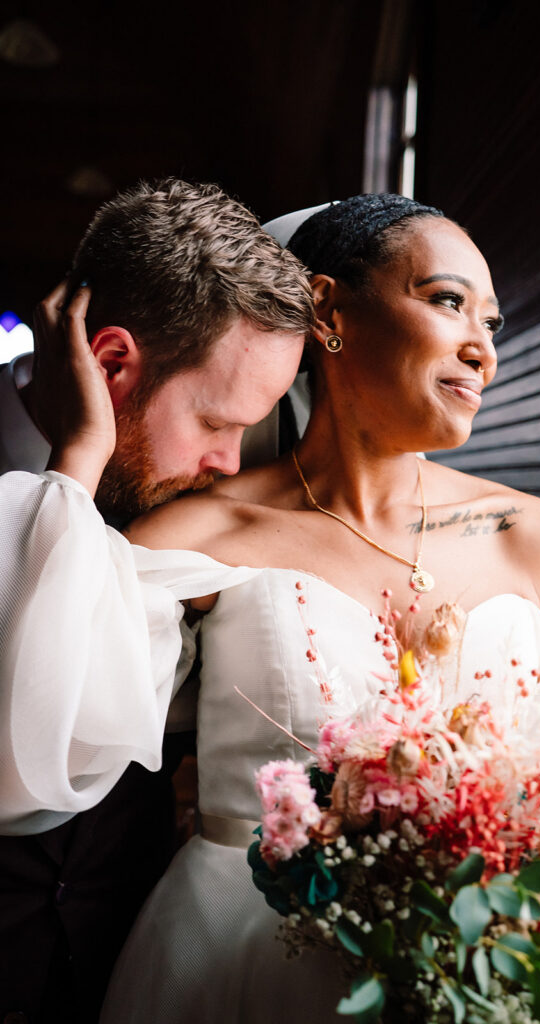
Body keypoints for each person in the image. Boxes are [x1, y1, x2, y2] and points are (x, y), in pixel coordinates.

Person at [76, 192, 540, 1022]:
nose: (481, 350)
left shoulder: (537, 541)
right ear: (326, 309)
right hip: (241, 962)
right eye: (448, 301)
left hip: (482, 965)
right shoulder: (199, 534)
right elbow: (74, 739)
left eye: (491, 324)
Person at [0, 178, 313, 1022]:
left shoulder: (206, 530)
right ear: (108, 364)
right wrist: (80, 456)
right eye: (215, 422)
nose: (227, 463)